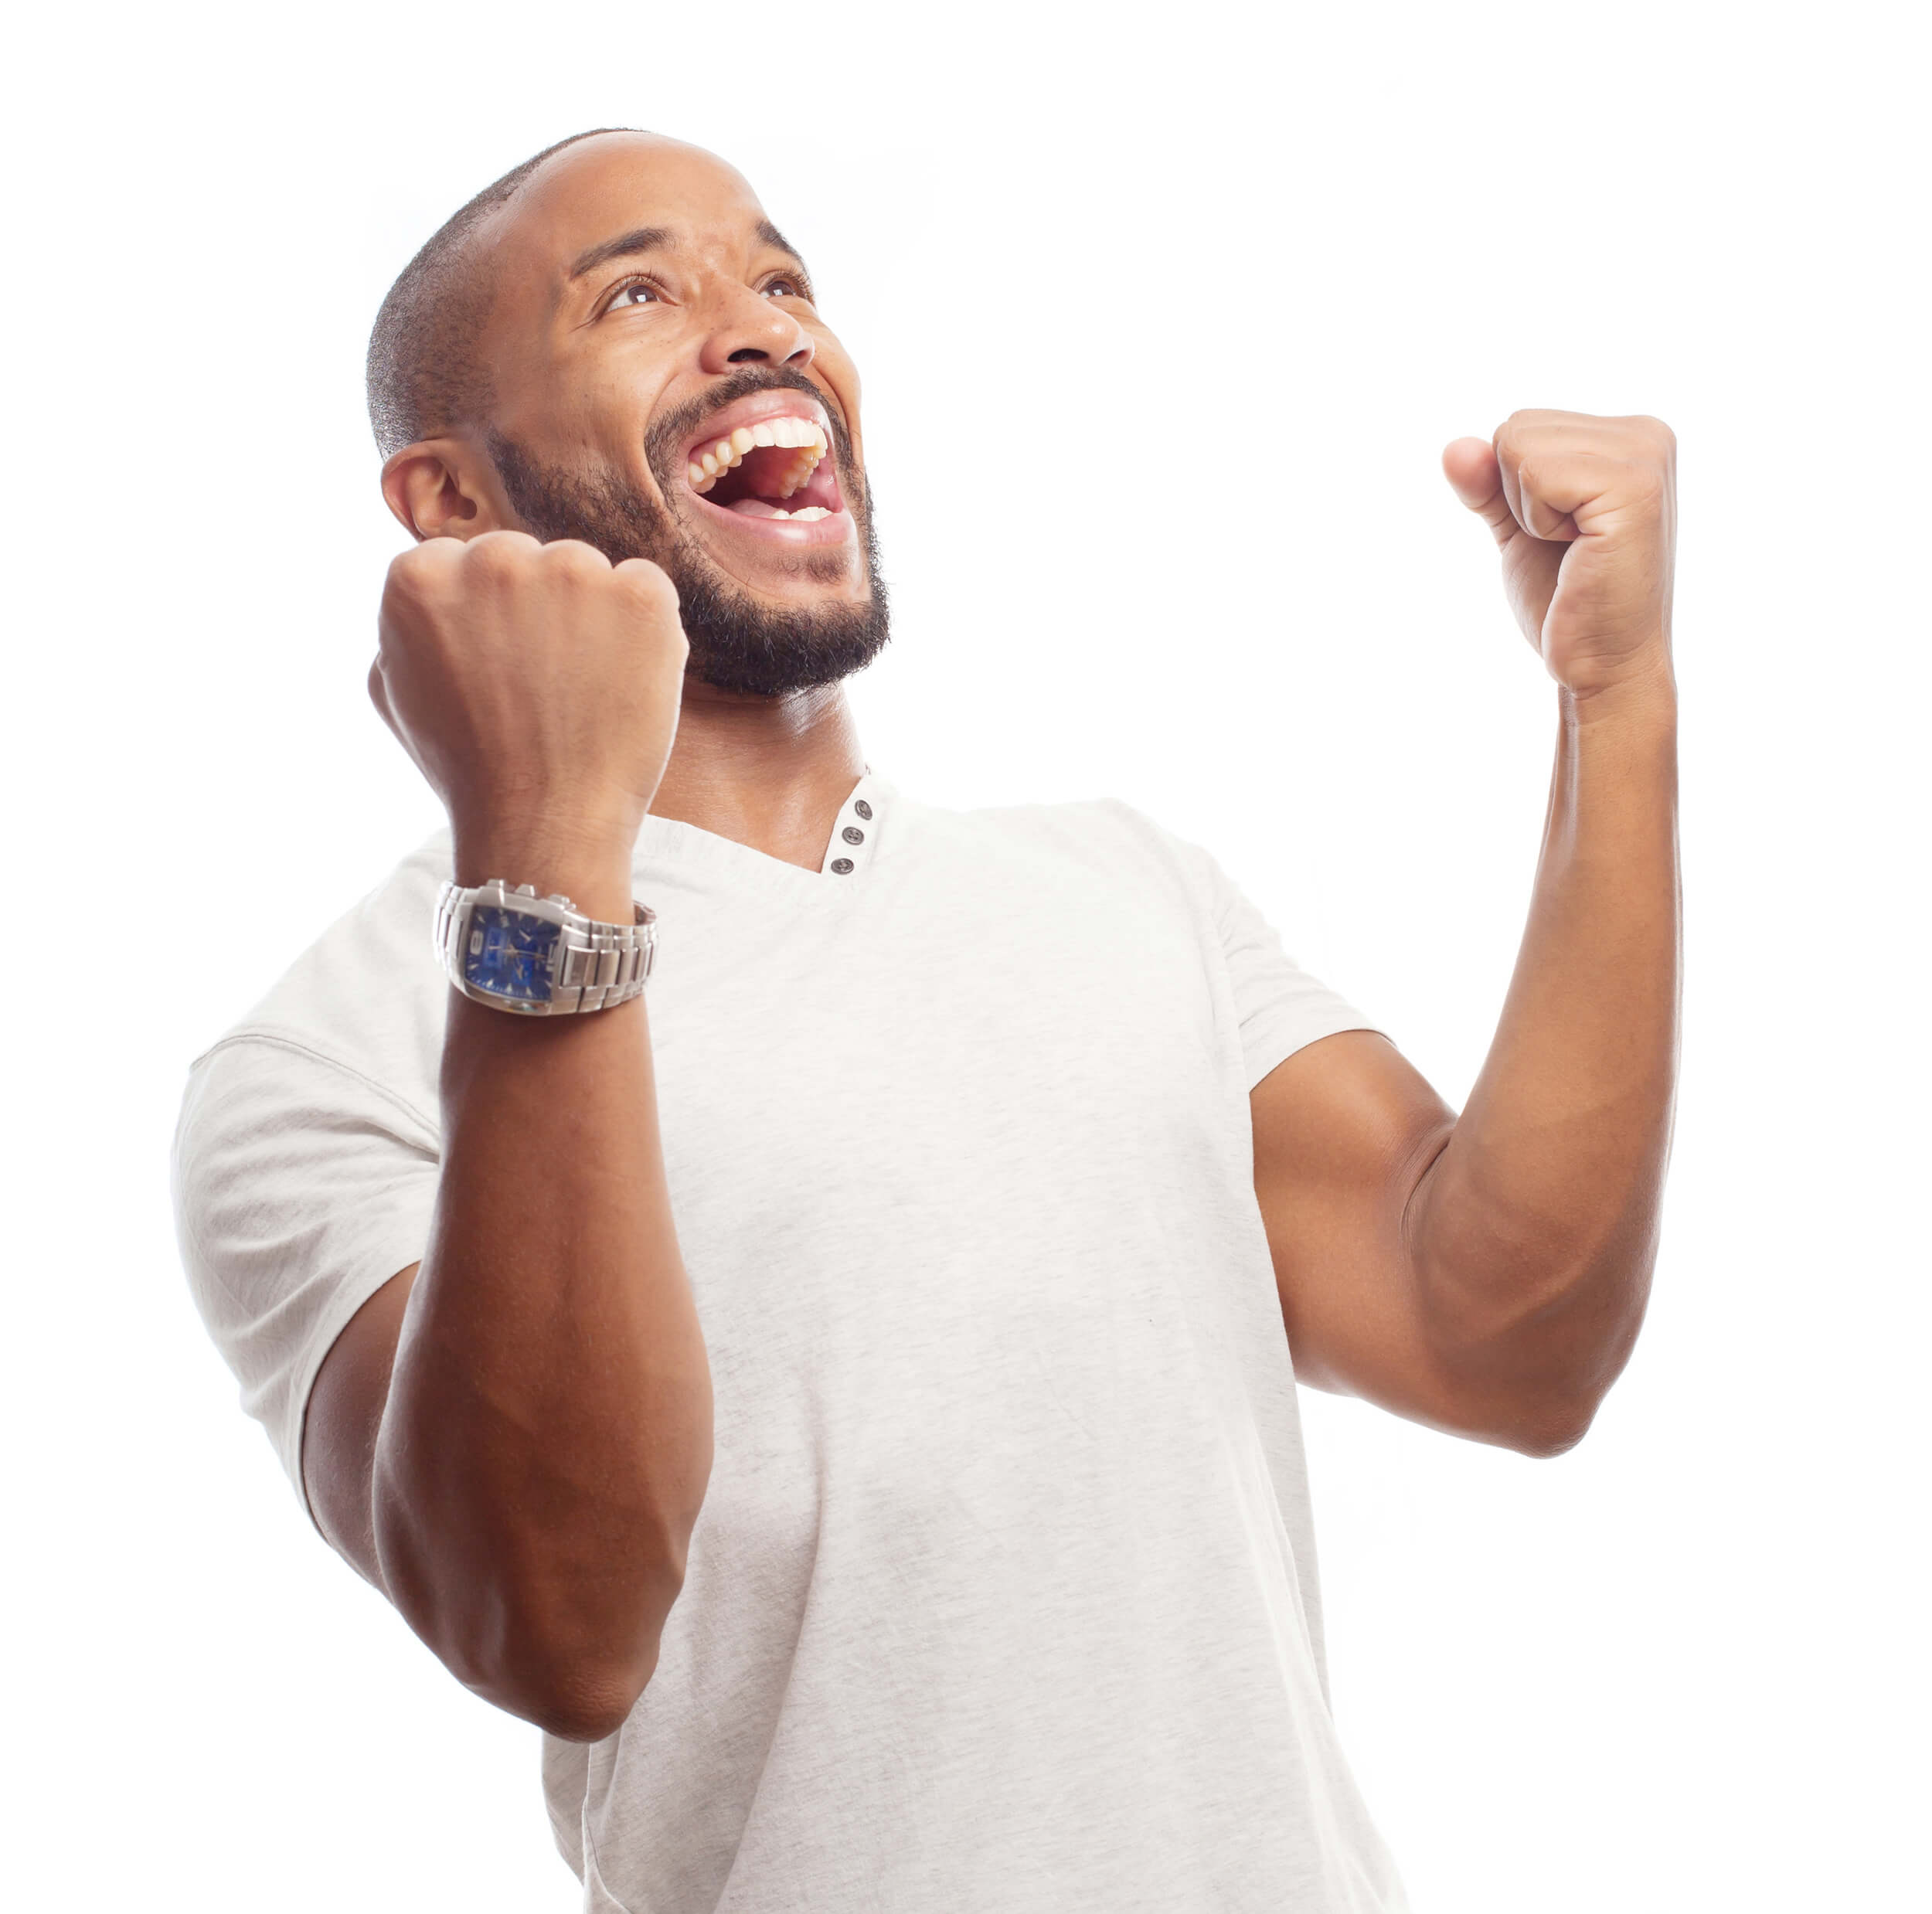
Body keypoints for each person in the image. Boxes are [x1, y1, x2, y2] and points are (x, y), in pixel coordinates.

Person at [172, 126, 1681, 1912]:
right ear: (448, 504)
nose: (760, 328)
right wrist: (548, 850)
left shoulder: (1128, 890)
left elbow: (1502, 1340)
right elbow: (556, 1621)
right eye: (636, 294)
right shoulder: (323, 1065)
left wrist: (1612, 695)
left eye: (782, 280)